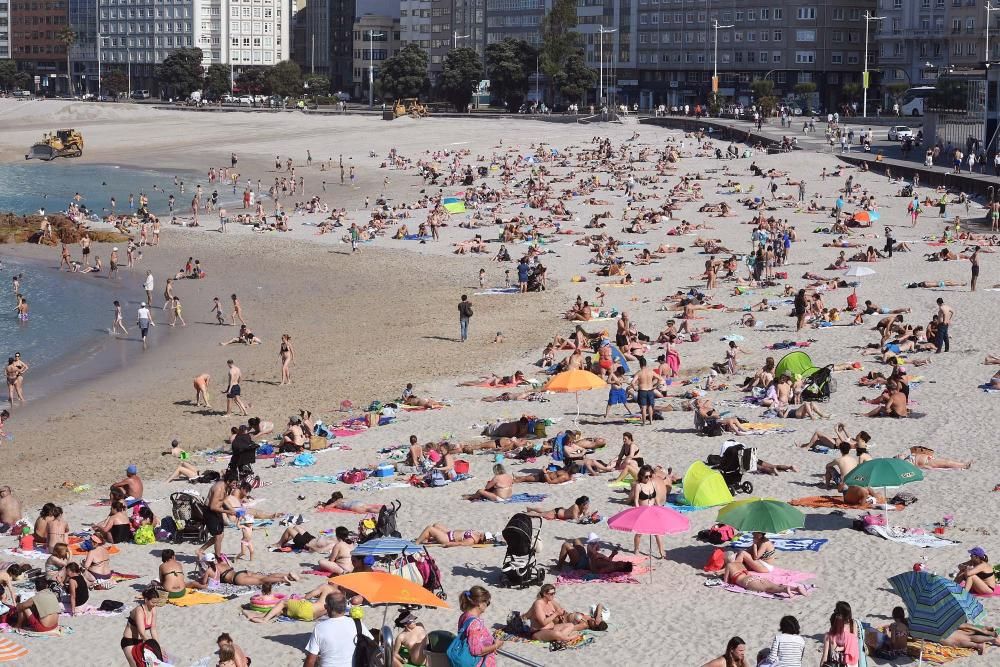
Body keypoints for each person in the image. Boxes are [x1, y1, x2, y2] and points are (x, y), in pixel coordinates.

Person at [301, 590, 371, 667]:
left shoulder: (320, 628)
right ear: (345, 607)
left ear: (326, 607)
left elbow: (310, 661)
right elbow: (372, 644)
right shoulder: (357, 624)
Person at [716, 551, 809, 597]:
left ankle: (786, 590)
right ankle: (795, 588)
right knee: (773, 585)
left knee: (768, 589)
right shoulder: (740, 563)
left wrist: (722, 576)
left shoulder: (729, 566)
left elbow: (726, 582)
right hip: (754, 577)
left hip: (747, 581)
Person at [457, 586, 503, 667]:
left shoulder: (464, 616)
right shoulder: (474, 623)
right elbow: (475, 650)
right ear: (479, 603)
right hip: (478, 663)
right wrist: (495, 646)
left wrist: (491, 644)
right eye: (487, 602)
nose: (487, 605)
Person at [121, 588, 165, 667]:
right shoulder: (139, 611)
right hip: (129, 641)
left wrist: (158, 646)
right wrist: (153, 647)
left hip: (141, 641)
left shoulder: (153, 609)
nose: (154, 604)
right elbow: (142, 632)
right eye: (153, 602)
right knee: (135, 665)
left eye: (156, 602)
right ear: (146, 600)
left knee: (145, 664)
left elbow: (153, 629)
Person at [415, 523, 494, 547]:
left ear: (482, 538)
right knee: (436, 525)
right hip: (449, 532)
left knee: (429, 528)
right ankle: (426, 538)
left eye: (484, 535)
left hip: (448, 538)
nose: (482, 533)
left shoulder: (471, 540)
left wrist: (447, 544)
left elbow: (460, 543)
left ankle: (416, 543)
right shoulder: (477, 533)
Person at [525, 496, 590, 521]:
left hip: (561, 511)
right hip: (556, 513)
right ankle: (525, 514)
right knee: (540, 515)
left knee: (545, 511)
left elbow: (585, 516)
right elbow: (576, 520)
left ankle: (530, 509)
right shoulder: (575, 507)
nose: (588, 505)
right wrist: (585, 516)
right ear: (582, 504)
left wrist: (589, 516)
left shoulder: (583, 508)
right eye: (587, 504)